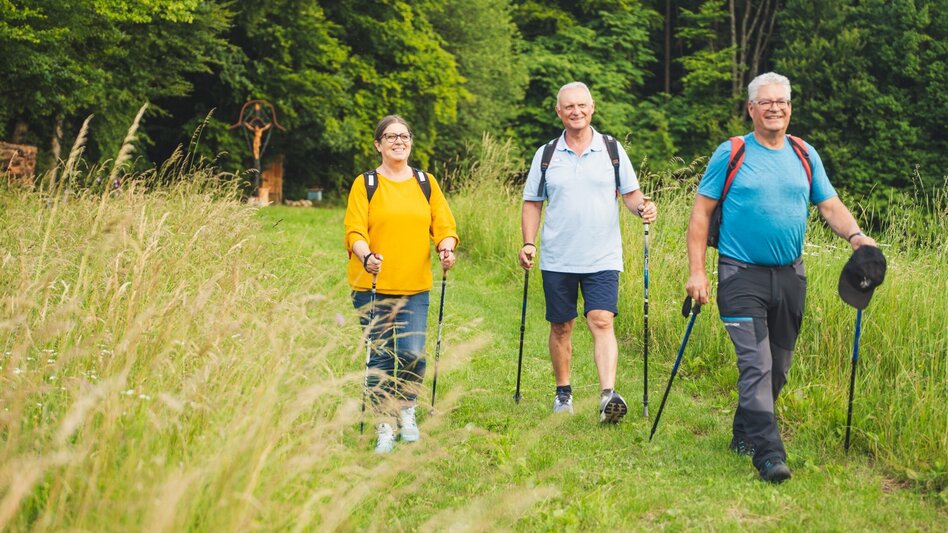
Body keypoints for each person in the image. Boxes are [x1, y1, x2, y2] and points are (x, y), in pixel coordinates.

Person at [684, 72, 878, 482]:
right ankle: (769, 454)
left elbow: (830, 206)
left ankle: (744, 434)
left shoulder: (805, 153)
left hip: (791, 276)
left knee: (779, 367)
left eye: (782, 102)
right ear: (751, 109)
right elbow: (701, 212)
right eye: (766, 102)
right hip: (740, 275)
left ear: (790, 108)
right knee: (756, 363)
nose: (775, 108)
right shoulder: (732, 152)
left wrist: (857, 237)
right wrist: (697, 272)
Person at [519, 82, 657, 424]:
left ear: (592, 107)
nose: (575, 111)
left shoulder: (611, 149)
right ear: (559, 112)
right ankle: (563, 393)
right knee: (561, 326)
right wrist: (528, 242)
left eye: (581, 105)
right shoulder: (546, 154)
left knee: (601, 319)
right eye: (568, 107)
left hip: (602, 256)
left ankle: (607, 396)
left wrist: (643, 208)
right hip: (558, 257)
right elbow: (532, 203)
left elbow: (631, 195)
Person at [344, 115, 459, 453]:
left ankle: (406, 408)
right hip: (372, 284)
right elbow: (354, 231)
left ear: (410, 141)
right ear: (378, 144)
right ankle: (383, 424)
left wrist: (446, 248)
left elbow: (444, 224)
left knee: (411, 353)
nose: (398, 141)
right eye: (390, 136)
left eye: (404, 136)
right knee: (379, 357)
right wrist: (366, 256)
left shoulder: (426, 182)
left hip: (414, 286)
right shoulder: (365, 184)